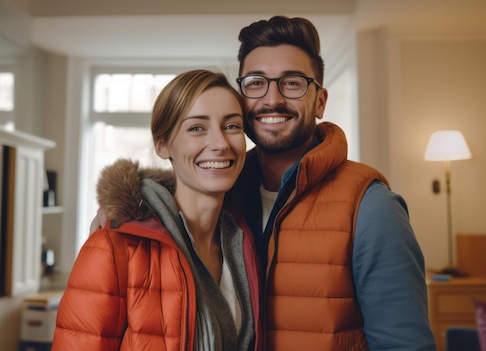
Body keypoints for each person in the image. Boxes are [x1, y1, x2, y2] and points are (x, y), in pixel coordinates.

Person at [93, 16, 436, 351]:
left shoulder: (371, 207)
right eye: (256, 82)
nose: (272, 99)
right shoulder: (224, 192)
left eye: (292, 82)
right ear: (241, 97)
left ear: (320, 101)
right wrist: (126, 204)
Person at [53, 69, 262, 351]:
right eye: (197, 128)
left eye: (232, 126)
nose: (220, 144)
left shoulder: (247, 242)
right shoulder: (112, 247)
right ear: (163, 146)